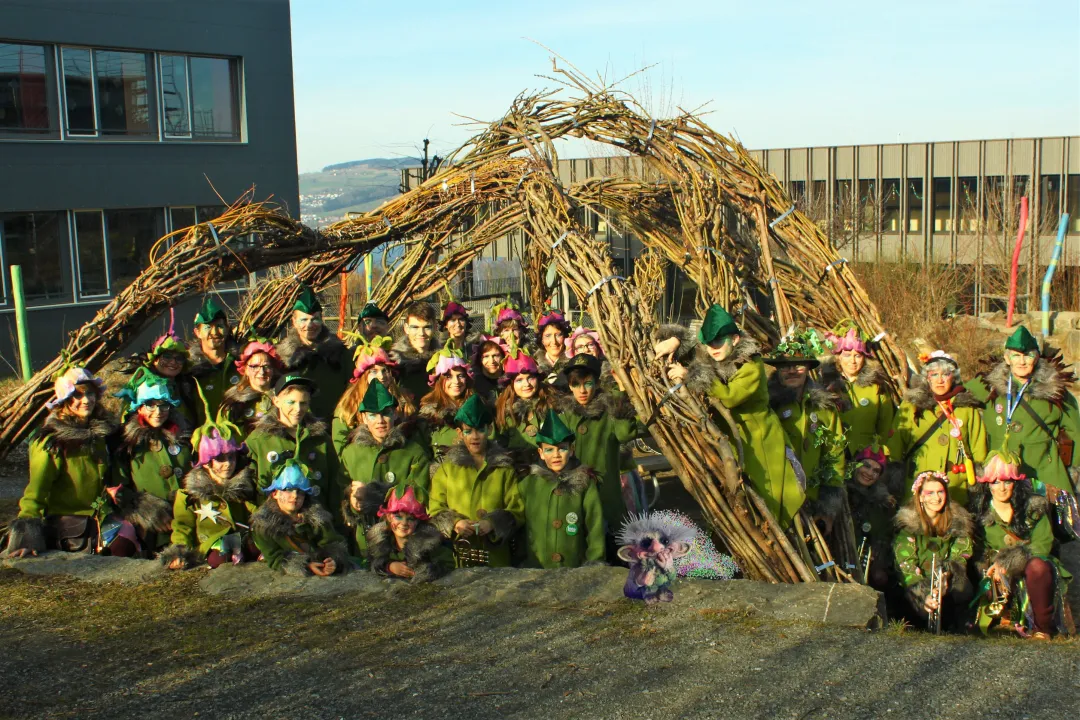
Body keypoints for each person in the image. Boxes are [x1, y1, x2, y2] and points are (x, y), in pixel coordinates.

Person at [654, 304, 798, 527]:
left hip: (759, 441)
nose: (714, 347)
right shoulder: (713, 356)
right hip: (728, 442)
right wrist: (675, 341)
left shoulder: (751, 364)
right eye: (710, 342)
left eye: (720, 340)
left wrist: (690, 374)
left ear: (736, 339)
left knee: (769, 497)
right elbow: (693, 350)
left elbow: (731, 396)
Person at [6, 367, 170, 558]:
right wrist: (26, 538)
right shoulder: (51, 442)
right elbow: (36, 492)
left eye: (91, 393)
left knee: (139, 539)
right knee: (122, 547)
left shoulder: (104, 434)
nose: (86, 400)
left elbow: (113, 479)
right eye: (77, 394)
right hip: (71, 524)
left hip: (105, 516)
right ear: (64, 400)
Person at [966, 325, 1080, 540]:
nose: (1022, 361)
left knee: (1046, 530)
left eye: (1027, 355)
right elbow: (957, 397)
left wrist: (1074, 471)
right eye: (1016, 356)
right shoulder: (988, 385)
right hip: (1002, 471)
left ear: (1036, 357)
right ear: (1007, 359)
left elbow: (1076, 432)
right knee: (1003, 527)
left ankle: (1048, 568)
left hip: (1042, 469)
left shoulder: (1055, 390)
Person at [970, 452, 1072, 638]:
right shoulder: (979, 514)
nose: (1002, 488)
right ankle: (1000, 620)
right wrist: (993, 566)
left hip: (1032, 564)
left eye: (1007, 481)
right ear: (988, 485)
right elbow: (979, 550)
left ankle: (1043, 629)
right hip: (996, 572)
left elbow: (1042, 544)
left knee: (1038, 567)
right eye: (996, 482)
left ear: (1015, 483)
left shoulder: (1032, 508)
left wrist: (1008, 562)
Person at [428, 395, 524, 567]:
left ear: (489, 429)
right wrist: (455, 523)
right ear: (459, 433)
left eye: (480, 429)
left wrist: (493, 523)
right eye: (468, 431)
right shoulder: (447, 469)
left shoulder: (504, 470)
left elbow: (517, 509)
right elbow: (435, 507)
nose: (474, 436)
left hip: (495, 554)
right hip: (459, 553)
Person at [765, 330, 846, 532]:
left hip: (813, 502)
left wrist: (827, 508)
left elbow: (834, 455)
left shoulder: (824, 408)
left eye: (799, 364)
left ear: (809, 366)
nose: (792, 370)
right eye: (785, 366)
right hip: (777, 500)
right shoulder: (767, 406)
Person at [557, 353, 642, 538]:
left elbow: (625, 434)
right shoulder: (564, 417)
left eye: (588, 383)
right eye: (576, 385)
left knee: (611, 543)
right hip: (574, 494)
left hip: (606, 492)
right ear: (569, 386)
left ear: (596, 383)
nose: (582, 391)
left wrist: (620, 393)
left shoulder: (609, 412)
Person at [340, 381, 430, 554]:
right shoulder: (351, 453)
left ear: (395, 414)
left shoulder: (413, 452)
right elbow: (340, 489)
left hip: (402, 540)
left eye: (386, 414)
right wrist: (351, 502)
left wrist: (374, 497)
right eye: (373, 415)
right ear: (364, 418)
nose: (380, 421)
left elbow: (419, 495)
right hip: (364, 540)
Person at [887, 350, 988, 505]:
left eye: (945, 374)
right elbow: (895, 446)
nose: (940, 380)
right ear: (927, 378)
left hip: (957, 489)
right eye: (934, 375)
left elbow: (979, 450)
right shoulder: (912, 406)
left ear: (953, 377)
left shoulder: (967, 409)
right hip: (918, 486)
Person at [162, 414, 257, 569]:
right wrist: (178, 552)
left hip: (244, 540)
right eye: (220, 458)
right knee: (219, 558)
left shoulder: (244, 485)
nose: (227, 464)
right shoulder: (190, 495)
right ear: (206, 463)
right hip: (213, 545)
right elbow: (182, 526)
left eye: (231, 457)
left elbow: (256, 512)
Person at [112, 375, 193, 553]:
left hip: (187, 522)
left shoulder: (184, 435)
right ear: (139, 407)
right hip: (151, 529)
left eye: (163, 405)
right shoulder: (127, 443)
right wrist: (146, 509)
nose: (158, 411)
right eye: (150, 404)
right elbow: (118, 487)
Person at [517, 410, 605, 568]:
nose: (556, 455)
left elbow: (594, 525)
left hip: (574, 566)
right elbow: (519, 522)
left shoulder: (584, 483)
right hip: (537, 566)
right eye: (549, 449)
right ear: (541, 453)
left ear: (571, 450)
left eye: (562, 449)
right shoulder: (529, 484)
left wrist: (595, 560)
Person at [893, 470, 975, 631]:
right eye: (930, 493)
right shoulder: (907, 526)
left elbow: (961, 554)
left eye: (940, 492)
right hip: (917, 581)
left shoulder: (957, 523)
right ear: (921, 496)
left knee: (963, 588)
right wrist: (924, 592)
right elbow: (905, 563)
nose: (936, 498)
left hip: (945, 579)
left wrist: (946, 576)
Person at [246, 374, 335, 506]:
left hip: (314, 519)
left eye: (303, 403)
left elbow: (334, 485)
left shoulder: (321, 439)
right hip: (273, 521)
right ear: (276, 401)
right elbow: (248, 488)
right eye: (291, 402)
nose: (298, 409)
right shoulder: (258, 440)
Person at [251, 459, 349, 576]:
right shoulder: (262, 525)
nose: (295, 496)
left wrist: (332, 561)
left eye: (300, 492)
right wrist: (306, 566)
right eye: (288, 490)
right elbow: (275, 558)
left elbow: (333, 542)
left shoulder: (318, 518)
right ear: (275, 493)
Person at [275, 285, 350, 422]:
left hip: (336, 425)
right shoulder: (284, 359)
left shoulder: (339, 354)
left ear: (322, 320)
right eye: (303, 320)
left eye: (315, 319)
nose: (309, 325)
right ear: (294, 322)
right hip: (298, 425)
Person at [332, 335, 415, 456]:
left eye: (384, 370)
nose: (381, 376)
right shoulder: (348, 405)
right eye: (373, 371)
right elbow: (340, 446)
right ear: (363, 376)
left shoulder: (404, 400)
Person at [819, 325, 896, 456]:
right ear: (839, 357)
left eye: (858, 356)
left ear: (864, 358)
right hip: (834, 457)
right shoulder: (826, 386)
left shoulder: (876, 386)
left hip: (867, 458)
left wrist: (880, 454)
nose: (853, 361)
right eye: (848, 355)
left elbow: (886, 426)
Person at [115, 310, 197, 424]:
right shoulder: (145, 386)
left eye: (179, 358)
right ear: (155, 360)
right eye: (167, 357)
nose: (173, 362)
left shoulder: (187, 385)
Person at [366, 485, 453, 582]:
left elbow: (448, 565)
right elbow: (372, 564)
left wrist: (423, 572)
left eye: (411, 519)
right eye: (398, 517)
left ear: (418, 521)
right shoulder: (381, 543)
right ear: (389, 517)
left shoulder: (430, 543)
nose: (404, 523)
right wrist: (389, 566)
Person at [495, 349, 562, 469]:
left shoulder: (554, 404)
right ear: (511, 385)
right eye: (519, 380)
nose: (526, 384)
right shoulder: (504, 411)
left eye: (530, 378)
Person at [845, 446, 898, 591]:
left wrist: (877, 554)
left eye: (876, 471)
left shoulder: (882, 503)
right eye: (866, 466)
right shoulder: (841, 493)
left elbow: (884, 534)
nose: (869, 473)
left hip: (866, 559)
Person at [187, 296, 243, 424]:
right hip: (203, 439)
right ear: (197, 332)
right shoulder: (189, 370)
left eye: (219, 326)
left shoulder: (241, 364)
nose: (215, 332)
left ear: (227, 329)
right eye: (207, 327)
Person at [418, 347, 475, 463]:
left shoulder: (478, 408)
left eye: (460, 376)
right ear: (439, 380)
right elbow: (421, 453)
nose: (456, 382)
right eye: (448, 377)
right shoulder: (428, 416)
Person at [220, 340, 282, 436]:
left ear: (273, 370)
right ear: (246, 370)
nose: (262, 372)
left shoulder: (285, 398)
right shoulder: (233, 402)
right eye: (255, 366)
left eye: (266, 366)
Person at [391, 301, 443, 404]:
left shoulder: (443, 360)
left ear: (435, 327)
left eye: (427, 327)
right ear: (406, 328)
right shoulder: (394, 361)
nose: (421, 333)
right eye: (415, 327)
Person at [534, 310, 571, 385]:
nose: (554, 341)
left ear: (565, 337)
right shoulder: (533, 364)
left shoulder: (573, 363)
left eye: (558, 335)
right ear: (542, 340)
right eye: (548, 336)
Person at [471, 335, 507, 406]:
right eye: (486, 356)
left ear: (503, 357)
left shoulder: (510, 382)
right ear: (480, 359)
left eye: (496, 356)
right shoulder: (473, 384)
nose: (491, 361)